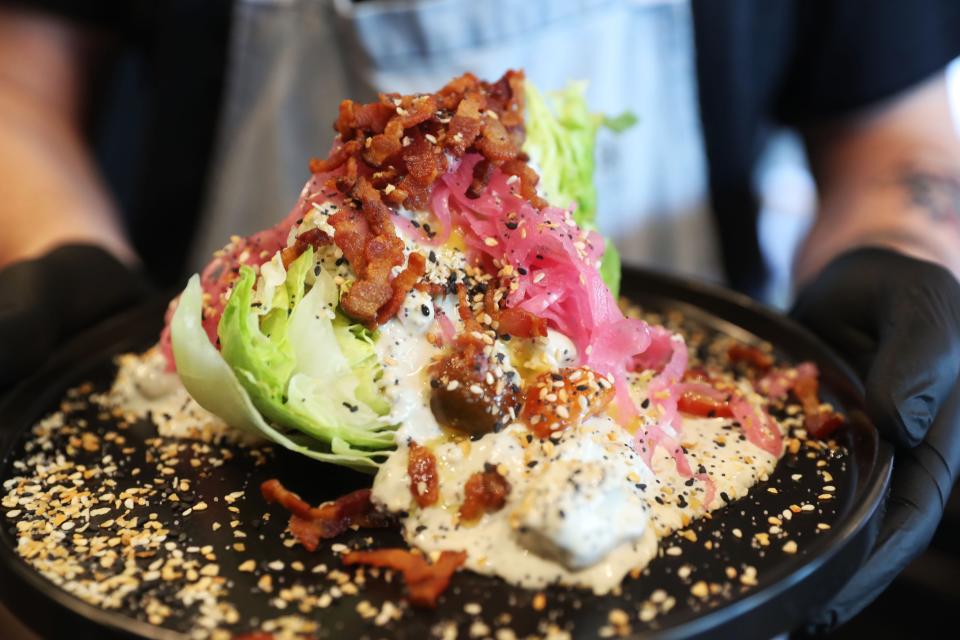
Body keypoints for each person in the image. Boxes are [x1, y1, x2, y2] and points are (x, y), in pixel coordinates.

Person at [0, 0, 958, 633]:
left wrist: (909, 256)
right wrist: (53, 242)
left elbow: (892, 128)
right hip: (227, 368)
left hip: (652, 378)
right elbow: (22, 74)